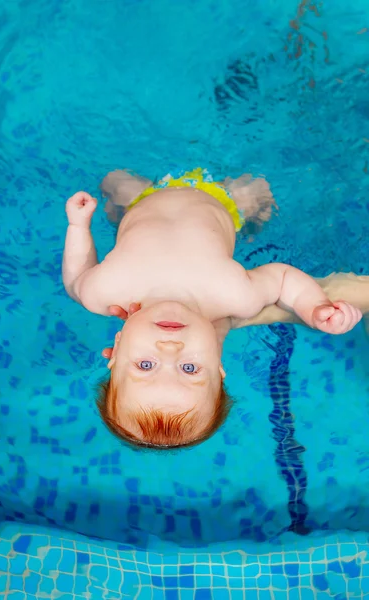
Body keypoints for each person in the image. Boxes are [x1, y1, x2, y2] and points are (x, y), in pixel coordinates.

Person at [62, 168, 364, 448]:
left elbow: (76, 280)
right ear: (218, 366)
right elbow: (283, 279)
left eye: (145, 365)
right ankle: (255, 221)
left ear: (115, 351)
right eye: (189, 368)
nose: (169, 349)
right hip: (223, 200)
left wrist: (78, 227)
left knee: (113, 180)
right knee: (259, 189)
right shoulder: (235, 296)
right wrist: (314, 308)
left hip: (140, 201)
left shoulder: (103, 292)